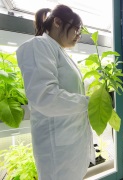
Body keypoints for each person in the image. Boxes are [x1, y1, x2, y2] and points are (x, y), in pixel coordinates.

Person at [16, 5, 95, 180]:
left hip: (71, 147)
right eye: (76, 29)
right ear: (58, 22)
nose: (78, 36)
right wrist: (89, 103)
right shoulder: (39, 45)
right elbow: (45, 97)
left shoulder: (60, 53)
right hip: (57, 155)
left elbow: (70, 89)